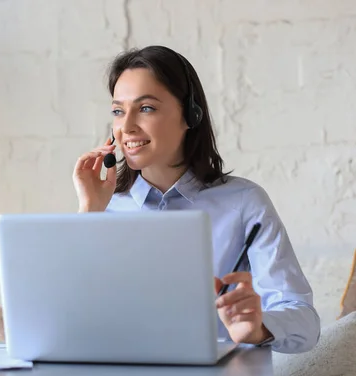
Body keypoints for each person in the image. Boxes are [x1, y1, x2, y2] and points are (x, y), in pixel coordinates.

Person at [72, 45, 320, 354]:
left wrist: (258, 327)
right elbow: (68, 321)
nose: (127, 126)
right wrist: (89, 214)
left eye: (146, 108)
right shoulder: (102, 207)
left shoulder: (244, 202)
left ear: (191, 115)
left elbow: (304, 323)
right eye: (118, 111)